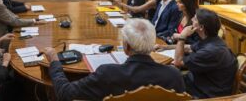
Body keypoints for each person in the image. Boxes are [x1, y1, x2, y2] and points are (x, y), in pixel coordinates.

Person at [44, 19, 185, 101]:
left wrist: (54, 61)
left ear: (126, 47)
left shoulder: (108, 73)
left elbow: (65, 93)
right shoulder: (174, 75)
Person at [174, 9, 237, 99]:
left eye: (195, 19)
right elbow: (189, 48)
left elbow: (177, 62)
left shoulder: (210, 51)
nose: (191, 19)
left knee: (164, 83)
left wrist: (182, 37)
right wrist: (164, 47)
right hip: (198, 81)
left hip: (206, 94)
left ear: (201, 27)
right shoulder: (211, 39)